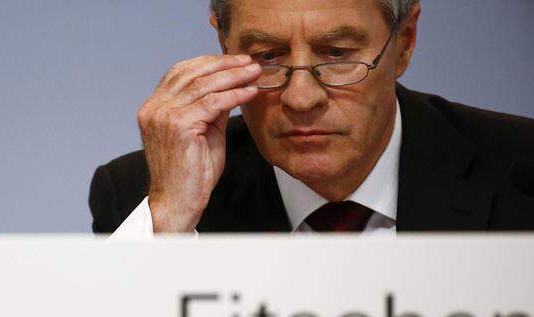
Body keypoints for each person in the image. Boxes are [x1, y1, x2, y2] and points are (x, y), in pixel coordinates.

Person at [89, 0, 534, 237]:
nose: (301, 98)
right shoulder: (143, 196)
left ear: (405, 42)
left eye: (338, 55)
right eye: (267, 56)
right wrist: (168, 223)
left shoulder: (521, 171)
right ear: (225, 46)